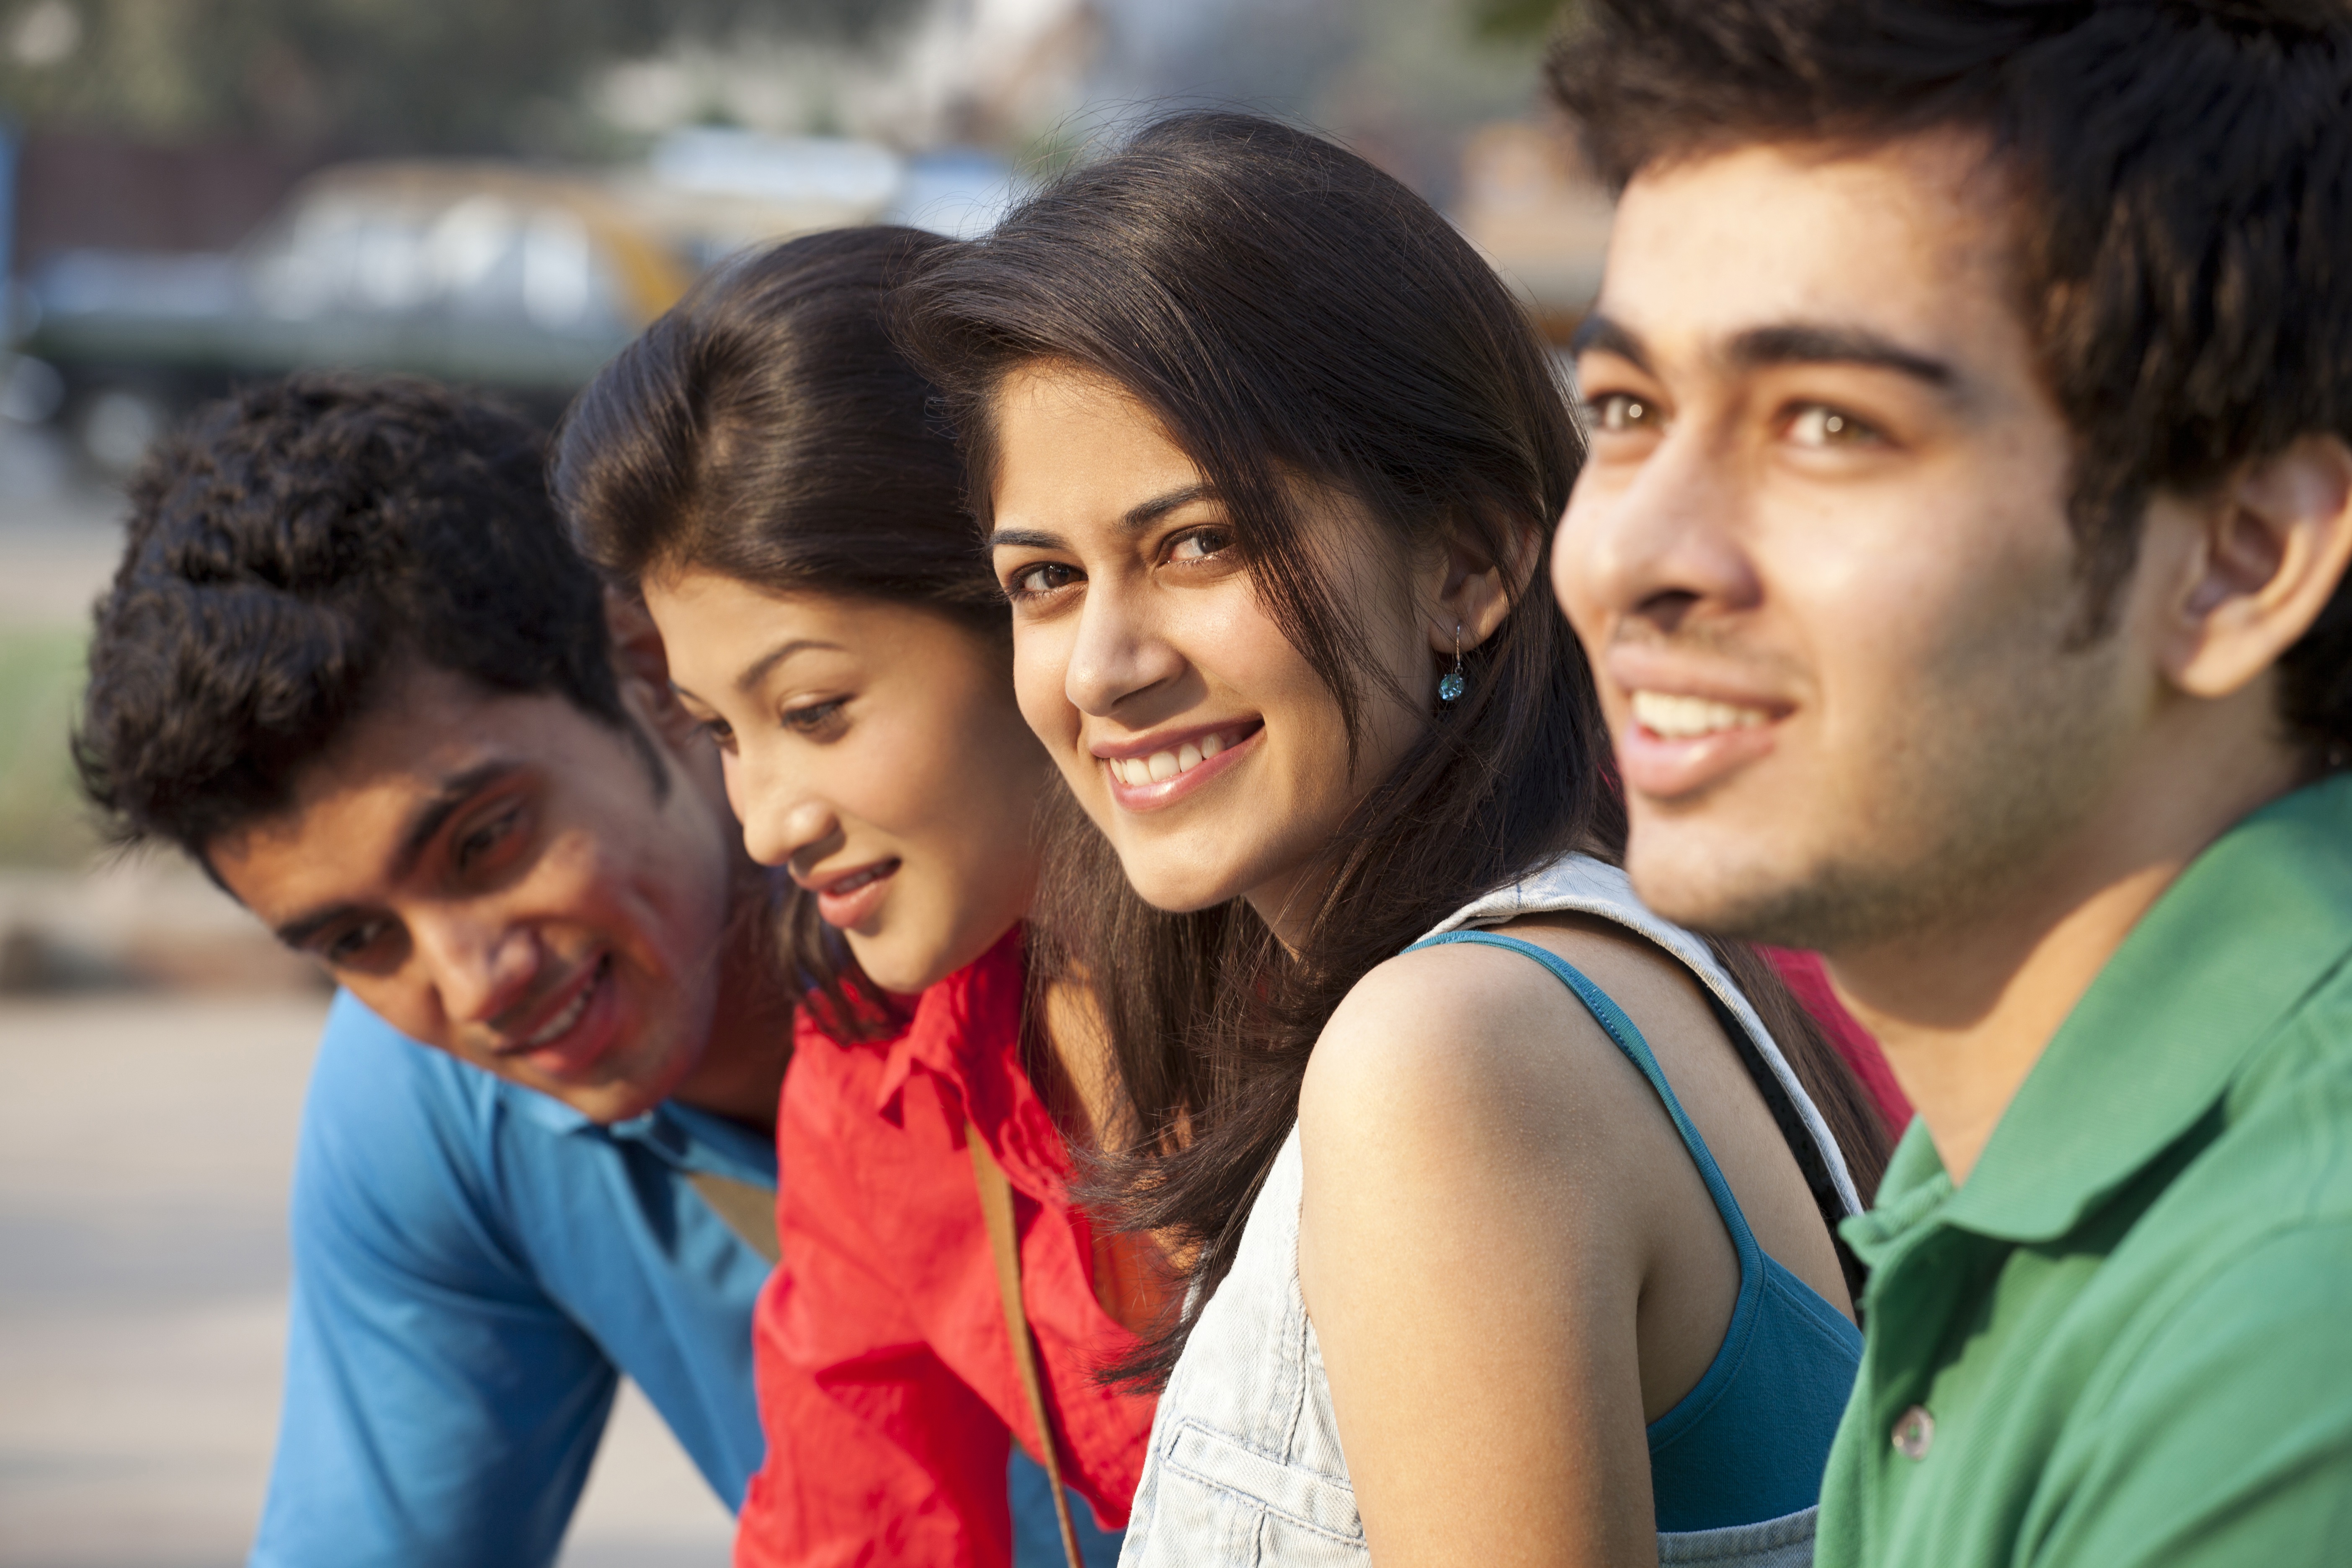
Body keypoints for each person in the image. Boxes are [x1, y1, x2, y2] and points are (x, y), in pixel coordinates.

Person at [897, 111, 1896, 1568]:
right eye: (1045, 580)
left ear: (1469, 570)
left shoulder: (1454, 1053)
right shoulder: (1592, 976)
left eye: (1199, 545)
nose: (1104, 666)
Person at [1546, 3, 2352, 1564]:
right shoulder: (2006, 1139)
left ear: (2240, 558)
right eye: (1628, 412)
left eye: (1830, 426)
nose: (1636, 555)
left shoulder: (2287, 1321)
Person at [73, 374, 794, 1568]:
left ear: (646, 666)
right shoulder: (434, 1101)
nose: (471, 984)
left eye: (485, 842)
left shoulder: (1018, 907)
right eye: (359, 941)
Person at [554, 227, 1150, 1568]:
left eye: (816, 710)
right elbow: (852, 1528)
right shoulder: (885, 1077)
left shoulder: (1409, 993)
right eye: (718, 729)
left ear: (1029, 605)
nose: (767, 822)